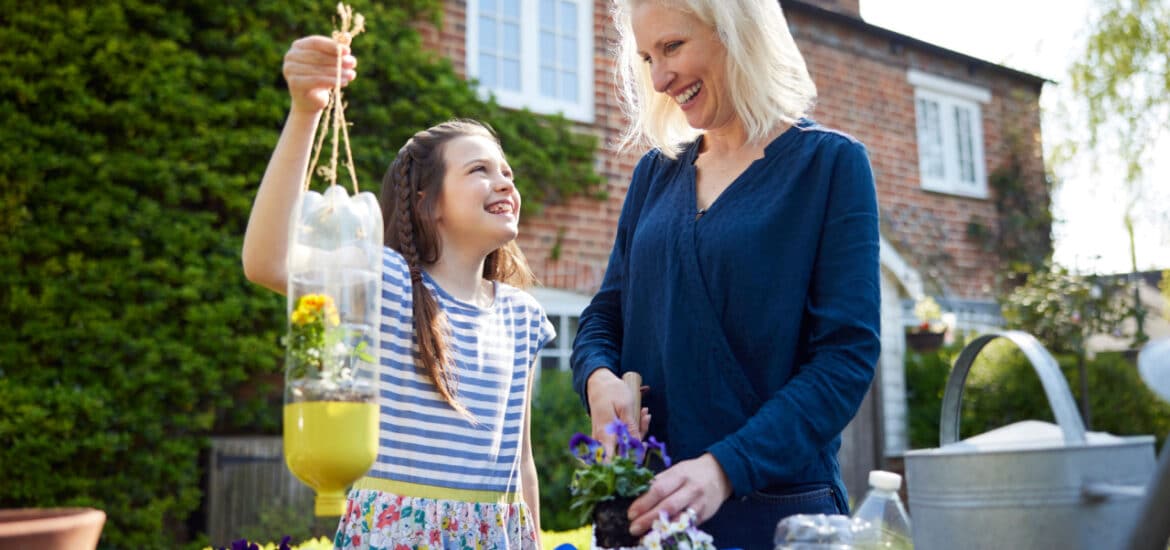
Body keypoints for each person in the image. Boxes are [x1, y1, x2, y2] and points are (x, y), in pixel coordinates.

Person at [570, 1, 880, 549]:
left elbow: (844, 359)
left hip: (781, 517)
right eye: (647, 58)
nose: (660, 77)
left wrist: (724, 468)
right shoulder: (655, 175)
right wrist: (596, 377)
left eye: (672, 47)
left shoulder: (830, 167)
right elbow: (605, 314)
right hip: (650, 515)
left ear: (738, 35)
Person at [242, 36, 554, 549]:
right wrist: (305, 112)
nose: (504, 182)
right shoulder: (385, 283)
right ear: (428, 204)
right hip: (397, 536)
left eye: (506, 172)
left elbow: (521, 462)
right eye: (479, 170)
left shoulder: (523, 316)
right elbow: (266, 261)